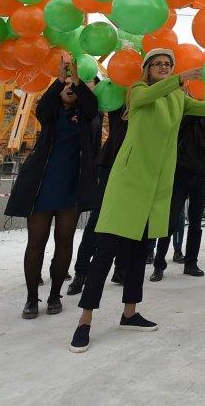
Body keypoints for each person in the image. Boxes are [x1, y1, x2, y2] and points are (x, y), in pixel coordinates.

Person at [69, 48, 205, 353]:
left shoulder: (178, 98)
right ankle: (85, 321)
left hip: (155, 187)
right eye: (157, 63)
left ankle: (129, 313)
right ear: (147, 69)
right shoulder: (139, 90)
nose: (163, 67)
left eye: (167, 64)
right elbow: (146, 98)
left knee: (138, 252)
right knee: (105, 253)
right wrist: (181, 78)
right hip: (128, 183)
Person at [4, 62, 101, 318]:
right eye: (65, 87)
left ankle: (55, 294)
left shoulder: (85, 117)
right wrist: (59, 80)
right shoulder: (50, 114)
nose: (69, 89)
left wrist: (78, 81)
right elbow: (42, 105)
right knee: (36, 241)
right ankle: (31, 298)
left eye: (73, 87)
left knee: (64, 241)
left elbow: (92, 105)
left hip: (71, 188)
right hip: (42, 186)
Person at [151, 110, 205, 280]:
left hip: (202, 175)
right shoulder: (182, 113)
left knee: (196, 222)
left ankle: (191, 263)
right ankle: (159, 264)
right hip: (180, 172)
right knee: (170, 220)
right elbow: (174, 131)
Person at [68, 106, 128, 295]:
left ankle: (121, 269)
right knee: (99, 218)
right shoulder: (121, 96)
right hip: (112, 162)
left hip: (135, 166)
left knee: (127, 220)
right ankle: (82, 272)